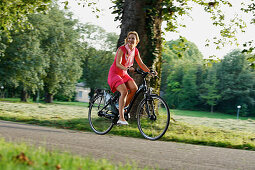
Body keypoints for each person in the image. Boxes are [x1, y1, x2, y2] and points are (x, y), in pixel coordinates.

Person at [107, 31, 156, 125]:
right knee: (124, 91)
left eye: (133, 38)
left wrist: (150, 71)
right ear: (127, 39)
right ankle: (121, 118)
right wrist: (127, 68)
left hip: (124, 74)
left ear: (137, 41)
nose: (130, 40)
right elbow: (118, 64)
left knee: (134, 88)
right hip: (115, 74)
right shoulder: (122, 49)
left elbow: (141, 64)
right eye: (129, 38)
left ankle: (121, 107)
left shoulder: (135, 51)